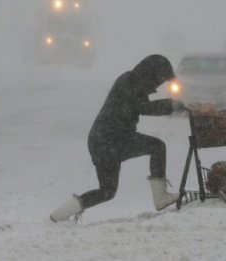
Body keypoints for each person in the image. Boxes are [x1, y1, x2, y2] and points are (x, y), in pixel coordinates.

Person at [50, 54, 186, 222]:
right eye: (161, 79)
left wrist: (171, 104)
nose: (160, 84)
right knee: (157, 147)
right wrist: (172, 105)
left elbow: (141, 105)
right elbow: (143, 107)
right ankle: (160, 197)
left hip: (100, 140)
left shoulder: (130, 80)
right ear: (151, 74)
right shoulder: (131, 83)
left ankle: (59, 214)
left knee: (107, 191)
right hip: (114, 139)